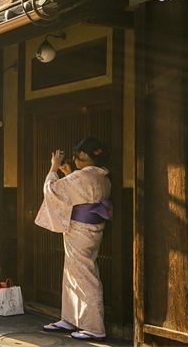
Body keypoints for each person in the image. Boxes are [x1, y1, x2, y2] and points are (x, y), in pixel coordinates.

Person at [35, 137, 112, 342]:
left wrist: (53, 167)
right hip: (92, 228)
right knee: (73, 271)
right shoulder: (101, 176)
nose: (75, 159)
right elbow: (78, 192)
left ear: (85, 155)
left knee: (84, 275)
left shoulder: (82, 177)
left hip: (79, 229)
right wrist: (69, 174)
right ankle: (70, 318)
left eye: (77, 154)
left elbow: (52, 190)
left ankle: (94, 327)